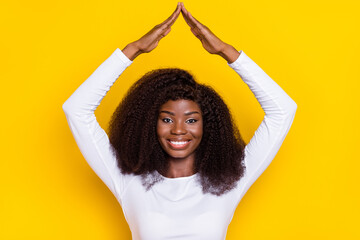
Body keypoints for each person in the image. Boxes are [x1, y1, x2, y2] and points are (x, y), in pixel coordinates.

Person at [62, 2, 297, 240]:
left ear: (208, 126)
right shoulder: (128, 180)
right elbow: (76, 110)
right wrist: (132, 50)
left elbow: (283, 110)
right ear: (149, 124)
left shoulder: (230, 179)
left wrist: (227, 51)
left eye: (192, 120)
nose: (178, 130)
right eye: (166, 119)